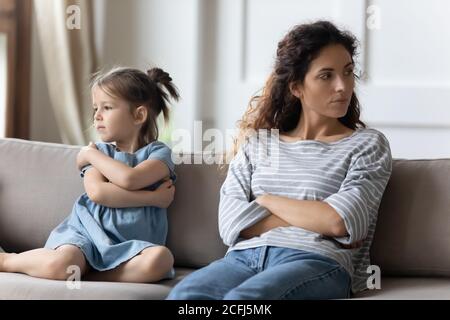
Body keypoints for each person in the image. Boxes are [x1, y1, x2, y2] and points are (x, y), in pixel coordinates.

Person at [168, 20, 392, 299]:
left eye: (347, 72)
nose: (342, 86)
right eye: (326, 75)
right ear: (296, 87)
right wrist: (314, 216)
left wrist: (265, 201)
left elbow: (341, 223)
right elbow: (230, 225)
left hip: (316, 261)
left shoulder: (367, 144)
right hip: (241, 259)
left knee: (244, 302)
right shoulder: (258, 144)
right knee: (185, 298)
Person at [0, 67, 179, 283]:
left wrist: (89, 155)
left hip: (133, 248)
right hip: (85, 236)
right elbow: (98, 193)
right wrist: (152, 199)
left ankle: (88, 273)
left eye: (107, 107)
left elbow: (130, 179)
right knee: (61, 264)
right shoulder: (99, 152)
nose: (96, 116)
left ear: (139, 114)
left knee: (161, 259)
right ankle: (7, 260)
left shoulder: (158, 153)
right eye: (95, 108)